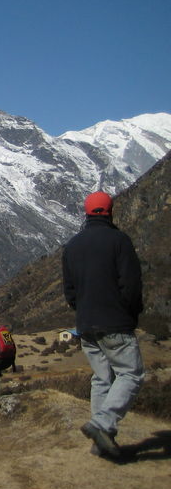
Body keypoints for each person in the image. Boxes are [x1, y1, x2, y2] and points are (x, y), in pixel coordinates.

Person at [62, 191, 144, 459]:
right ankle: (102, 424)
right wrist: (129, 314)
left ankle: (101, 444)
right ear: (110, 211)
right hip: (116, 322)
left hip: (86, 325)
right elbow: (131, 285)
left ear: (87, 212)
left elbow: (70, 291)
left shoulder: (73, 246)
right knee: (130, 374)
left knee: (101, 379)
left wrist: (83, 311)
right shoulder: (119, 241)